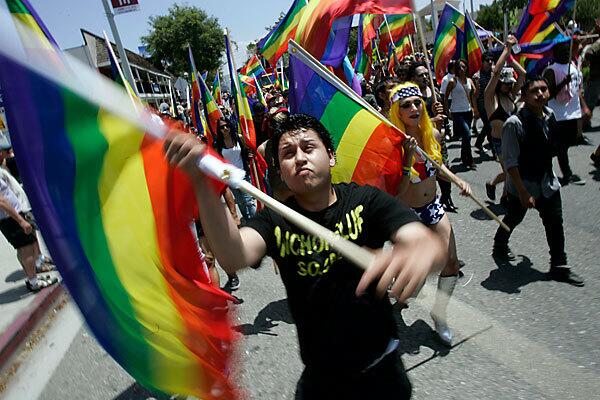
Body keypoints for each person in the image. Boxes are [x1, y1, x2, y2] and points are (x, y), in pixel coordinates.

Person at [164, 113, 447, 399]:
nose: (299, 158)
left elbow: (422, 239)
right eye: (288, 153)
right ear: (281, 172)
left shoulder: (364, 200)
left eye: (308, 148)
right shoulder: (275, 219)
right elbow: (233, 255)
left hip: (382, 372)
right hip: (321, 381)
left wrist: (418, 251)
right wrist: (203, 185)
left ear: (331, 157)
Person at [390, 82, 472, 346]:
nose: (414, 108)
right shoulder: (394, 143)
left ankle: (440, 314)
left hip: (433, 208)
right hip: (407, 215)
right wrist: (406, 159)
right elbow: (398, 190)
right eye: (406, 105)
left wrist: (458, 181)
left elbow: (437, 167)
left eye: (417, 103)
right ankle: (394, 297)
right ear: (397, 112)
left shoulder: (432, 134)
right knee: (413, 282)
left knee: (451, 264)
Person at [492, 76, 584, 287]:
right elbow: (511, 163)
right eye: (534, 91)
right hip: (523, 184)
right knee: (514, 217)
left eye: (543, 89)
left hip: (547, 182)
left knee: (554, 222)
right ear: (524, 96)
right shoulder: (514, 124)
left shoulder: (550, 115)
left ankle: (559, 265)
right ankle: (499, 244)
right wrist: (523, 192)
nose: (540, 94)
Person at [213, 117, 257, 291]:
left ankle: (254, 225)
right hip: (230, 179)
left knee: (248, 202)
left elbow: (245, 153)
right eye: (221, 127)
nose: (224, 129)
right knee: (239, 202)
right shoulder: (218, 143)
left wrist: (250, 155)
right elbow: (218, 161)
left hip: (244, 175)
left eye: (226, 126)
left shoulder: (238, 137)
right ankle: (251, 223)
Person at [408, 63, 457, 212]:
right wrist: (432, 121)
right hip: (422, 144)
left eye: (425, 74)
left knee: (444, 168)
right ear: (413, 79)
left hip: (438, 139)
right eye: (420, 75)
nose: (424, 77)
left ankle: (446, 197)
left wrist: (442, 113)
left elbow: (443, 116)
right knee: (428, 175)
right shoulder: (412, 99)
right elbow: (411, 123)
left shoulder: (434, 92)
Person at [484, 35, 526, 205]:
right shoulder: (490, 99)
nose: (509, 86)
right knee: (510, 171)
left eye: (510, 83)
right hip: (499, 142)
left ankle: (501, 194)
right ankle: (496, 187)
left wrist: (510, 58)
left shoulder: (511, 96)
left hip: (514, 140)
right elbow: (495, 74)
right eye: (506, 83)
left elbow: (523, 74)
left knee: (513, 170)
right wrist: (506, 49)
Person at [543, 41, 588, 185]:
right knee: (560, 147)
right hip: (558, 115)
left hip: (572, 114)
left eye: (568, 52)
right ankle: (565, 173)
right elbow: (547, 95)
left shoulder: (572, 66)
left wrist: (584, 106)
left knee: (564, 146)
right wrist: (562, 83)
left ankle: (548, 170)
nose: (567, 54)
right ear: (557, 54)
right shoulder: (551, 70)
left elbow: (576, 90)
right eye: (564, 52)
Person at [444, 59, 478, 169]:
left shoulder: (469, 80)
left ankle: (464, 157)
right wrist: (447, 110)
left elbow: (474, 95)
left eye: (463, 67)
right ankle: (470, 159)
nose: (461, 69)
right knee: (467, 134)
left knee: (466, 137)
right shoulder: (453, 81)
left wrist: (474, 108)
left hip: (468, 111)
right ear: (456, 70)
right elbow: (445, 96)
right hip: (457, 112)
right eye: (459, 68)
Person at [473, 52, 495, 152]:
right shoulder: (477, 76)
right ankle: (494, 148)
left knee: (489, 125)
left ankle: (479, 142)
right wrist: (475, 109)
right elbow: (474, 95)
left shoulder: (494, 73)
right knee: (489, 125)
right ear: (482, 62)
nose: (490, 62)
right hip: (481, 103)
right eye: (487, 60)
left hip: (493, 102)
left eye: (491, 60)